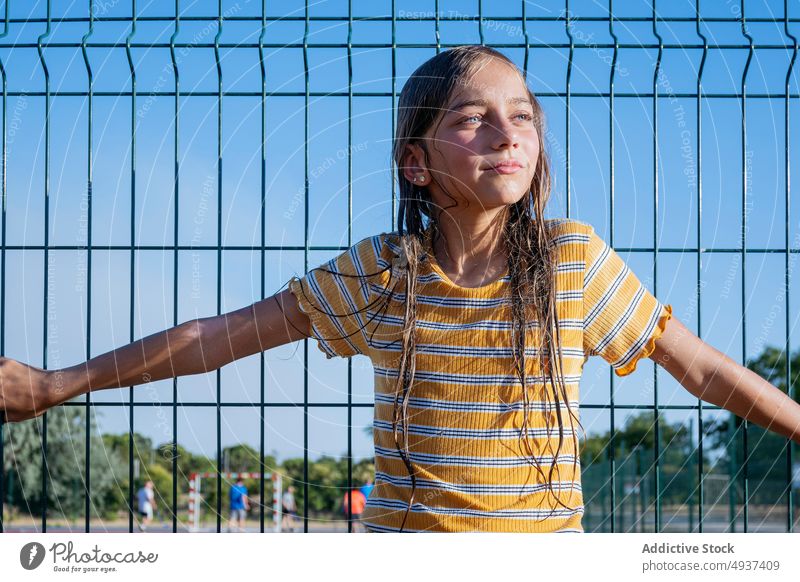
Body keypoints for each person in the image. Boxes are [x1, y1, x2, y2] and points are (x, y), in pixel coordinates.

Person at [2, 45, 800, 535]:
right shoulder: (383, 273)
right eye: (471, 118)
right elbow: (216, 336)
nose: (505, 132)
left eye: (521, 115)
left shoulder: (575, 261)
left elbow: (701, 367)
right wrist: (55, 383)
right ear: (415, 163)